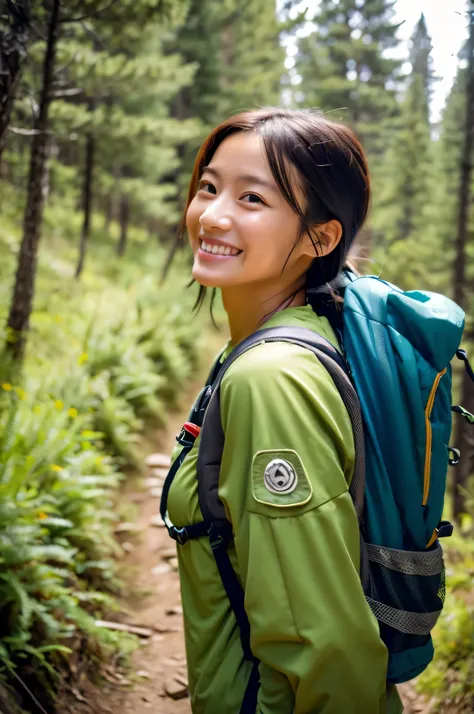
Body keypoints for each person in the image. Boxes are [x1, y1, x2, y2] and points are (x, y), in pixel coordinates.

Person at [166, 107, 404, 714]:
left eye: (253, 199)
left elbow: (327, 649)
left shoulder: (270, 379)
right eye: (210, 187)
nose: (212, 215)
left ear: (319, 238)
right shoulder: (300, 332)